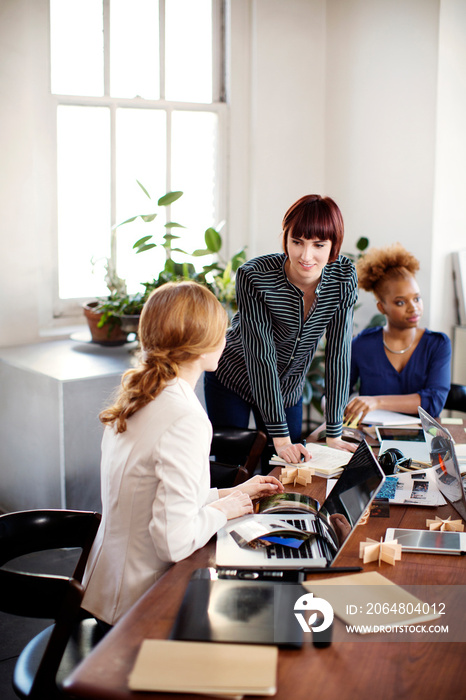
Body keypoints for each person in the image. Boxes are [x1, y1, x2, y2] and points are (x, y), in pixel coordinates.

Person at [82, 281, 283, 628]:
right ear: (201, 345)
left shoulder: (140, 394)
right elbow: (173, 543)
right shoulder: (185, 418)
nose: (227, 338)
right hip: (140, 604)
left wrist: (232, 492)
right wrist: (222, 510)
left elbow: (153, 498)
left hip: (103, 589)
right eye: (222, 331)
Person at [204, 194, 359, 467]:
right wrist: (280, 435)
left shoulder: (343, 277)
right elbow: (260, 356)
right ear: (285, 238)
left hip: (288, 388)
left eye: (319, 245)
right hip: (234, 378)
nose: (306, 255)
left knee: (286, 469)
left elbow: (338, 352)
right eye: (297, 242)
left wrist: (334, 430)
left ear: (334, 246)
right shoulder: (255, 276)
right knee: (231, 466)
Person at [345, 243, 451, 423]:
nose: (414, 308)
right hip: (370, 438)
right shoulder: (361, 345)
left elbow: (434, 402)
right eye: (400, 302)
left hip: (423, 438)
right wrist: (332, 410)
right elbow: (334, 394)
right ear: (381, 307)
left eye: (417, 298)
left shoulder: (437, 344)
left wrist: (377, 401)